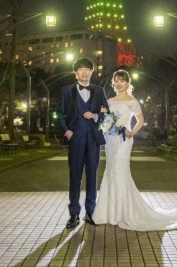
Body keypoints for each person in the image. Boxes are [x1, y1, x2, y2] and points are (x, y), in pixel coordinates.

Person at [94, 69, 177, 231]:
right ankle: (108, 213)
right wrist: (103, 120)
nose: (119, 83)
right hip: (111, 140)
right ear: (113, 83)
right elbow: (106, 119)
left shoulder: (132, 101)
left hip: (124, 140)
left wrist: (131, 132)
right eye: (116, 80)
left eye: (122, 80)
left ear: (128, 83)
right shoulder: (109, 100)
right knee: (110, 171)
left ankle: (122, 213)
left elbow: (140, 120)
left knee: (120, 171)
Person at [58, 57, 109, 228]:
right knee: (75, 177)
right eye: (81, 69)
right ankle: (73, 214)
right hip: (76, 138)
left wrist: (95, 116)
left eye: (88, 69)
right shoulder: (66, 90)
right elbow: (60, 113)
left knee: (92, 177)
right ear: (75, 72)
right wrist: (67, 130)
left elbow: (107, 114)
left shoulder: (99, 90)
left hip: (93, 139)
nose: (84, 72)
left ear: (92, 72)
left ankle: (90, 212)